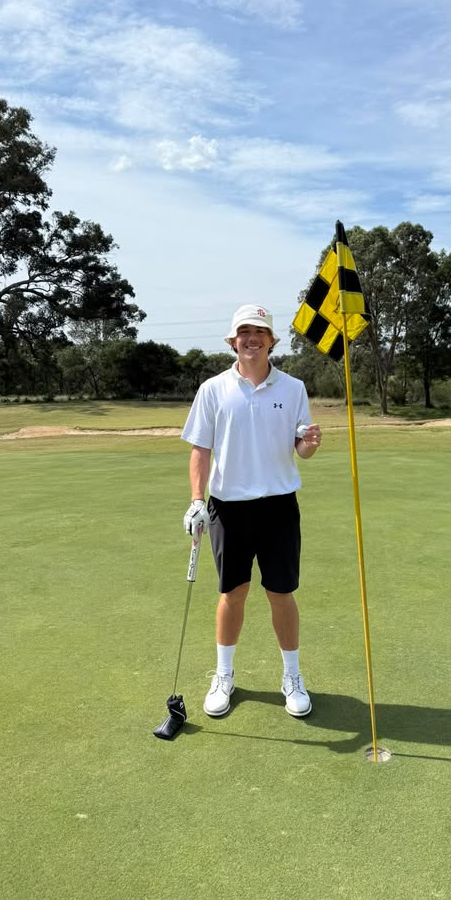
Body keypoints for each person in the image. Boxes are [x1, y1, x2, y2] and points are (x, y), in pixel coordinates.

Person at [181, 304, 322, 718]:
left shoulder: (293, 388)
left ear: (271, 340)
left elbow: (301, 447)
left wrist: (309, 445)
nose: (251, 338)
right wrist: (195, 499)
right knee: (232, 593)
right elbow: (200, 450)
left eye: (259, 331)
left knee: (281, 593)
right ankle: (224, 675)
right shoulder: (213, 389)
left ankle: (291, 677)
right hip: (228, 509)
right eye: (244, 331)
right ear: (232, 341)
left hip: (279, 507)